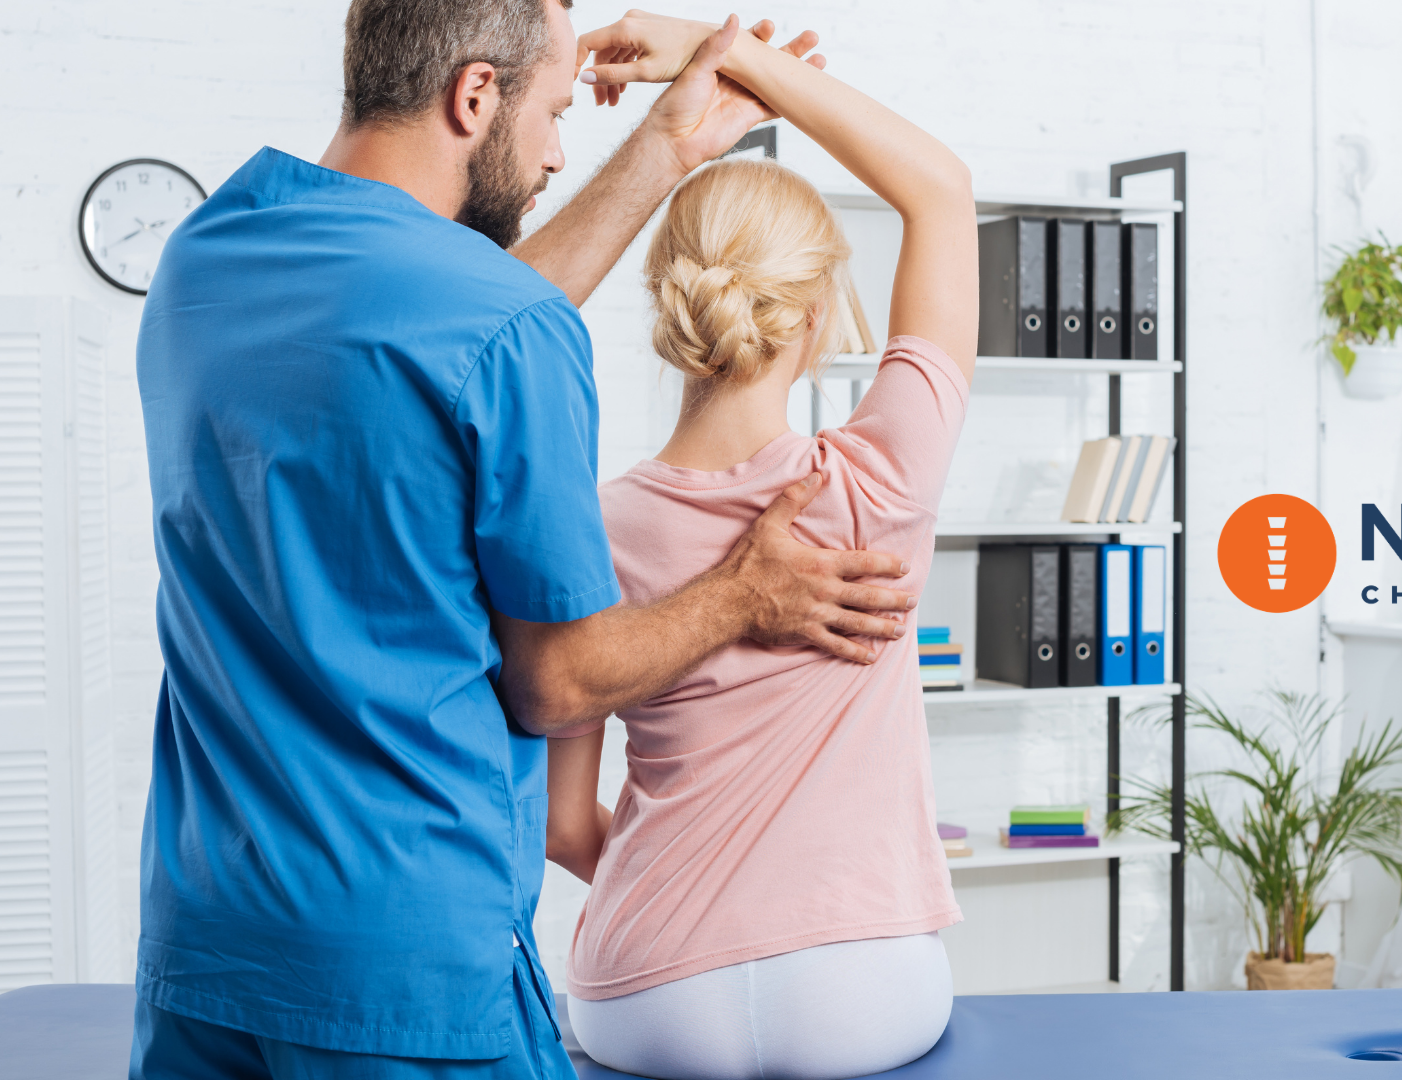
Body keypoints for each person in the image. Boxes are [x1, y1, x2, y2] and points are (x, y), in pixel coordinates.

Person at [128, 5, 919, 1080]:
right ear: (474, 95)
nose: (555, 153)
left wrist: (665, 153)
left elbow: (443, 330)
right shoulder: (505, 329)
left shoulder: (205, 259)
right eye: (552, 113)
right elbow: (557, 684)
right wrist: (746, 590)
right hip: (402, 974)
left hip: (207, 944)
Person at [539, 14, 979, 1080]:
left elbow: (562, 827)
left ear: (667, 300)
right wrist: (723, 48)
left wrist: (689, 915)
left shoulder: (582, 520)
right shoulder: (879, 482)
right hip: (860, 986)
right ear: (822, 310)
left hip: (644, 990)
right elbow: (940, 189)